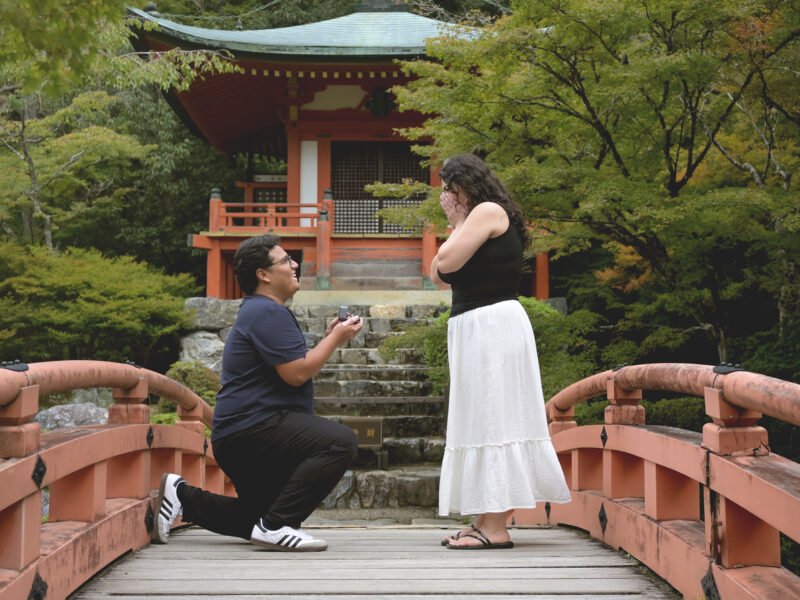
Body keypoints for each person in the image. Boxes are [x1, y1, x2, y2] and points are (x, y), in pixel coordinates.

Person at [155, 234, 363, 552]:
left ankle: (182, 497)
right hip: (254, 429)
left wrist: (329, 338)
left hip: (239, 434)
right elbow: (296, 373)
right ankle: (277, 527)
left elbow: (293, 366)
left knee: (256, 517)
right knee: (340, 441)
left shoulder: (260, 311)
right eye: (286, 260)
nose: (295, 265)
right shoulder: (267, 312)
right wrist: (335, 339)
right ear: (263, 274)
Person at [432, 154, 571, 550]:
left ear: (465, 185)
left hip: (491, 323)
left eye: (448, 188)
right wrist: (456, 227)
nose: (445, 197)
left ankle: (495, 528)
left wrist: (457, 223)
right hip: (476, 325)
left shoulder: (487, 211)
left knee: (494, 417)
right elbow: (437, 275)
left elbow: (447, 261)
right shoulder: (475, 219)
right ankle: (484, 520)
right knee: (482, 417)